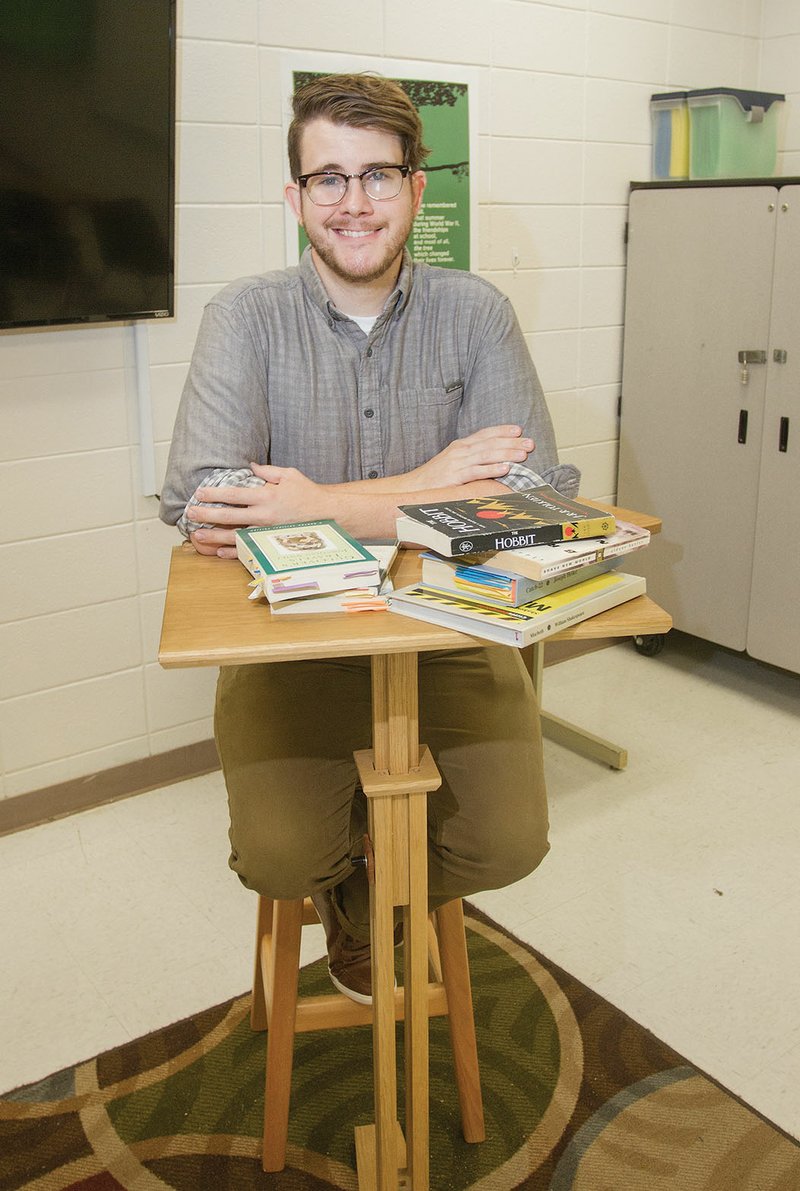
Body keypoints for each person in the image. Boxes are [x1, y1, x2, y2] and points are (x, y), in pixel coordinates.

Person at [160, 72, 579, 1005]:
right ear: (295, 197)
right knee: (276, 854)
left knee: (506, 843)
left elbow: (533, 498)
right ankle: (350, 887)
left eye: (379, 176)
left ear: (417, 190)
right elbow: (203, 499)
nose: (355, 205)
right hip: (290, 637)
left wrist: (327, 504)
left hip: (447, 630)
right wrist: (431, 485)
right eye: (329, 179)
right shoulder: (247, 315)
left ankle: (373, 897)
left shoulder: (475, 314)